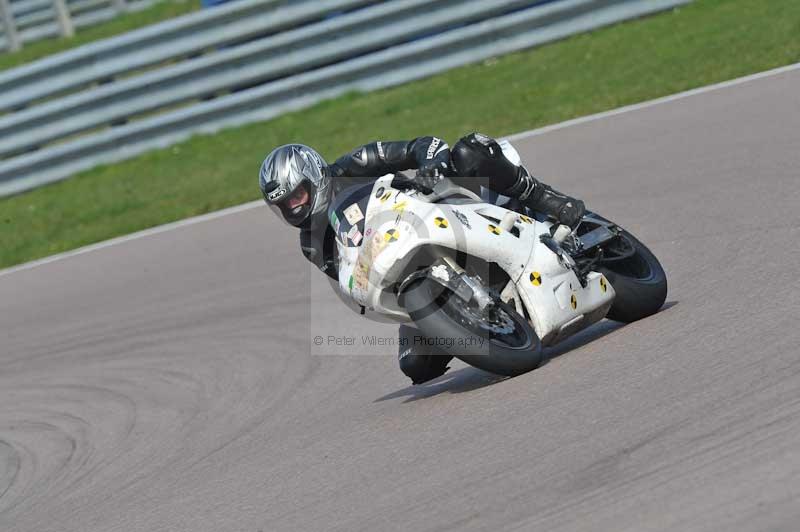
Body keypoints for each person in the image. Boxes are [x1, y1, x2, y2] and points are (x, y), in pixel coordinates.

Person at [258, 133, 585, 385]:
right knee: (415, 365)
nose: (294, 208)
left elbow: (423, 146)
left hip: (437, 206)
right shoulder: (311, 244)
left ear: (313, 174)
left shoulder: (354, 164)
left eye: (297, 195)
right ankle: (476, 317)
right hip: (397, 263)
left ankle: (545, 198)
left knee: (468, 151)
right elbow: (348, 276)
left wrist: (433, 164)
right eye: (284, 206)